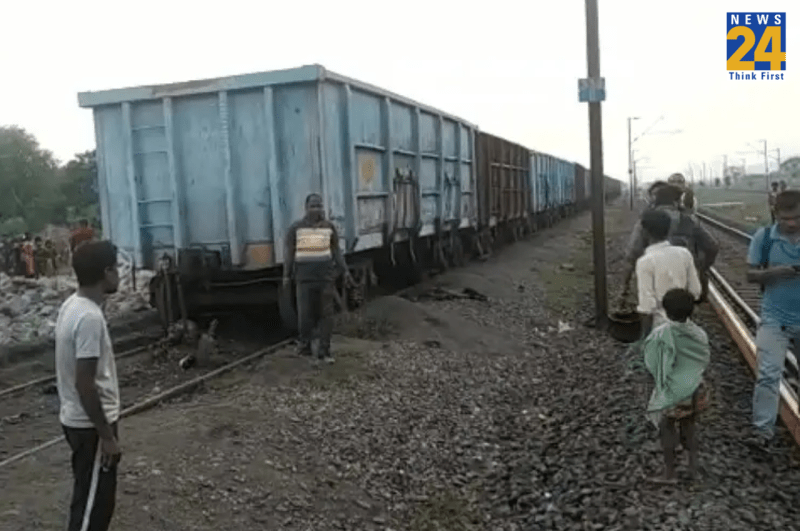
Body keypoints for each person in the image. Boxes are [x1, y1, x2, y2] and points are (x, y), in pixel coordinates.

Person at [55, 240, 121, 531]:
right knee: (93, 510)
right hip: (90, 427)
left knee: (90, 498)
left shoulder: (72, 305)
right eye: (116, 268)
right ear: (106, 272)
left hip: (79, 422)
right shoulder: (90, 318)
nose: (119, 274)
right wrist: (107, 436)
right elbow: (86, 384)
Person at [746, 190, 800, 449]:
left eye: (797, 217)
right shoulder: (764, 237)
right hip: (774, 317)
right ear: (776, 214)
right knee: (768, 374)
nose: (791, 223)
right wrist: (774, 273)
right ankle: (762, 432)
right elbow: (751, 274)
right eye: (786, 218)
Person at [642, 288, 710, 484]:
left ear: (666, 311)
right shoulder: (699, 333)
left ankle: (669, 472)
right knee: (689, 426)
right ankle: (693, 469)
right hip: (696, 387)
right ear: (692, 311)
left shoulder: (662, 333)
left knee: (667, 427)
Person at [283, 193, 354, 363]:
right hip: (304, 278)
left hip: (325, 279)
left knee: (326, 315)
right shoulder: (295, 228)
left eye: (319, 206)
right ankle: (305, 346)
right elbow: (289, 254)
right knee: (305, 315)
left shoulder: (329, 228)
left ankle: (325, 350)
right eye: (313, 206)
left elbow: (336, 251)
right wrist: (286, 275)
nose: (316, 209)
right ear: (306, 208)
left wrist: (345, 271)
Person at [623, 185, 718, 302]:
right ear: (677, 201)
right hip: (683, 282)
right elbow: (712, 247)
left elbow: (633, 252)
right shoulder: (689, 220)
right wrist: (701, 269)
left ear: (656, 201)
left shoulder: (646, 220)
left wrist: (626, 286)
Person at [634, 209, 703, 336]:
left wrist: (645, 339)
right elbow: (695, 291)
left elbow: (647, 306)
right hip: (685, 326)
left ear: (645, 232)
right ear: (669, 230)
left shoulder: (645, 262)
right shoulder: (684, 254)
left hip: (659, 329)